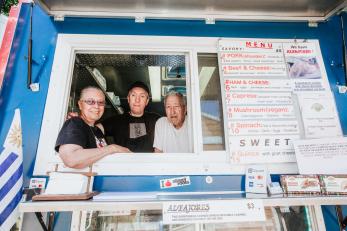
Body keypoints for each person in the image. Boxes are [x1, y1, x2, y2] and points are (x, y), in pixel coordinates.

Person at [55, 86, 131, 169]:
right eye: (90, 101)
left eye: (101, 102)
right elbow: (71, 159)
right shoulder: (75, 123)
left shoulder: (97, 130)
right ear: (80, 104)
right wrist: (112, 148)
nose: (96, 106)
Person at [101, 81, 161, 152]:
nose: (137, 100)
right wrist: (108, 149)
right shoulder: (117, 120)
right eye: (133, 95)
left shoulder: (156, 119)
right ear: (128, 98)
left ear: (147, 101)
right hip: (123, 162)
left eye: (142, 96)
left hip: (150, 162)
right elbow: (96, 129)